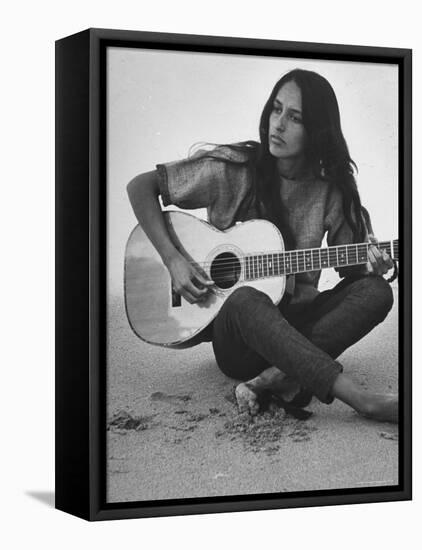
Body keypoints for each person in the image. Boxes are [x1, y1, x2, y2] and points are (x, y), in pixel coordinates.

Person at [127, 69, 398, 423]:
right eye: (276, 109)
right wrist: (174, 259)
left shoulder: (331, 190)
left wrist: (373, 264)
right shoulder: (236, 169)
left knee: (377, 292)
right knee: (245, 298)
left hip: (299, 329)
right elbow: (140, 187)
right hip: (239, 341)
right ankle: (361, 400)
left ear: (317, 129)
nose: (279, 124)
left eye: (295, 117)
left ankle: (272, 378)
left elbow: (352, 271)